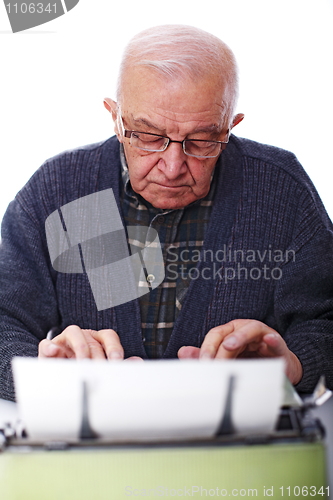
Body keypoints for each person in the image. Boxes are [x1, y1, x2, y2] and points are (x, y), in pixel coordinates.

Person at [0, 25, 332, 402]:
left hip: (238, 447)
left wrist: (294, 363)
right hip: (92, 447)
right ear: (115, 117)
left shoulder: (280, 189)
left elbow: (324, 324)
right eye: (148, 136)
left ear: (231, 126)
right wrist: (46, 376)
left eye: (203, 140)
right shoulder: (59, 192)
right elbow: (5, 320)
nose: (172, 166)